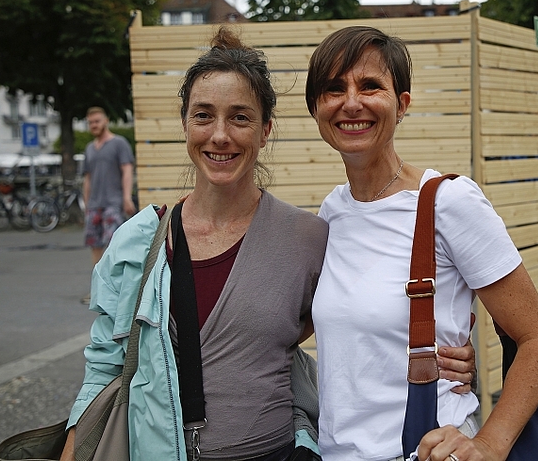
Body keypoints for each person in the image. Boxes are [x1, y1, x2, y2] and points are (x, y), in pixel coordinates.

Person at [61, 27, 474, 461]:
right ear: (185, 124)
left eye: (240, 117)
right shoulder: (138, 242)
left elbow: (364, 318)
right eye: (203, 115)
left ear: (265, 131)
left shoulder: (308, 237)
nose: (220, 135)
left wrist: (449, 357)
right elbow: (103, 370)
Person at [305, 26, 538, 461]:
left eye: (371, 86)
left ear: (402, 103)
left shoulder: (448, 201)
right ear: (316, 109)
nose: (351, 102)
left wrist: (489, 445)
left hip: (425, 452)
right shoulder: (333, 212)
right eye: (333, 89)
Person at [81, 106, 137, 304]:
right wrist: (87, 204)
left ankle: (117, 291)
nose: (94, 125)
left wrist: (126, 197)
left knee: (114, 247)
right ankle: (98, 290)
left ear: (105, 121)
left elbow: (127, 170)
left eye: (97, 121)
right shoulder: (89, 148)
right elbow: (87, 178)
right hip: (95, 205)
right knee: (95, 246)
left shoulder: (118, 143)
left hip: (114, 203)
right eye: (90, 122)